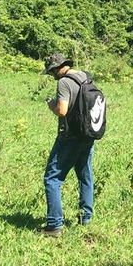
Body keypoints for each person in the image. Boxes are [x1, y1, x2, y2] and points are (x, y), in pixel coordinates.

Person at [41, 52, 95, 236]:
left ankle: (54, 225)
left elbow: (62, 110)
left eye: (51, 72)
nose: (51, 76)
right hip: (88, 134)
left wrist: (52, 105)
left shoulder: (64, 82)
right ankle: (85, 217)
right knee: (85, 175)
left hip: (70, 136)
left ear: (57, 68)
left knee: (52, 178)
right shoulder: (85, 77)